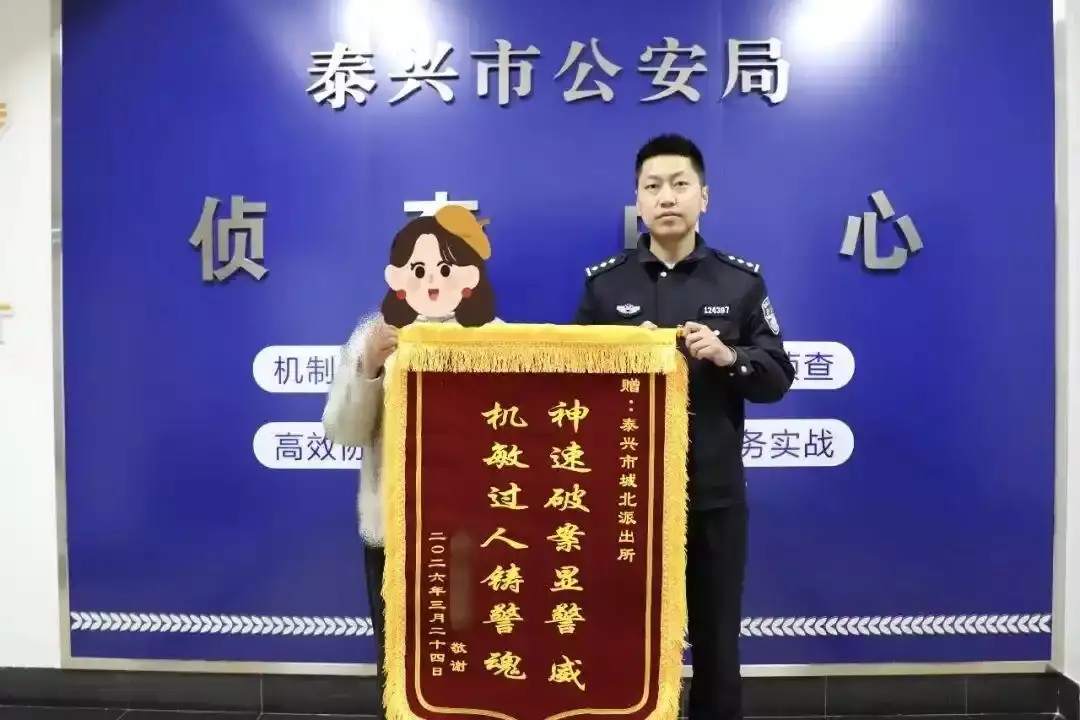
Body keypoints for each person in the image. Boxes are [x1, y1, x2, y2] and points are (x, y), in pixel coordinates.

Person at [571, 134, 795, 720]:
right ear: (638, 201)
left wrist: (728, 356)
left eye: (679, 184)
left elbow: (777, 376)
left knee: (717, 645)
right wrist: (621, 356)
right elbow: (572, 388)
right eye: (653, 186)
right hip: (626, 501)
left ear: (704, 197)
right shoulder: (604, 285)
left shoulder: (740, 283)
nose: (666, 197)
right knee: (625, 640)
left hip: (712, 497)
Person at [322, 205, 499, 719]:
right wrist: (369, 368)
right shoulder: (373, 336)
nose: (433, 280)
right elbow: (342, 431)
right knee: (400, 667)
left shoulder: (499, 339)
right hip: (395, 535)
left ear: (469, 275)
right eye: (419, 269)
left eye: (446, 267)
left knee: (473, 662)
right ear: (399, 276)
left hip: (474, 541)